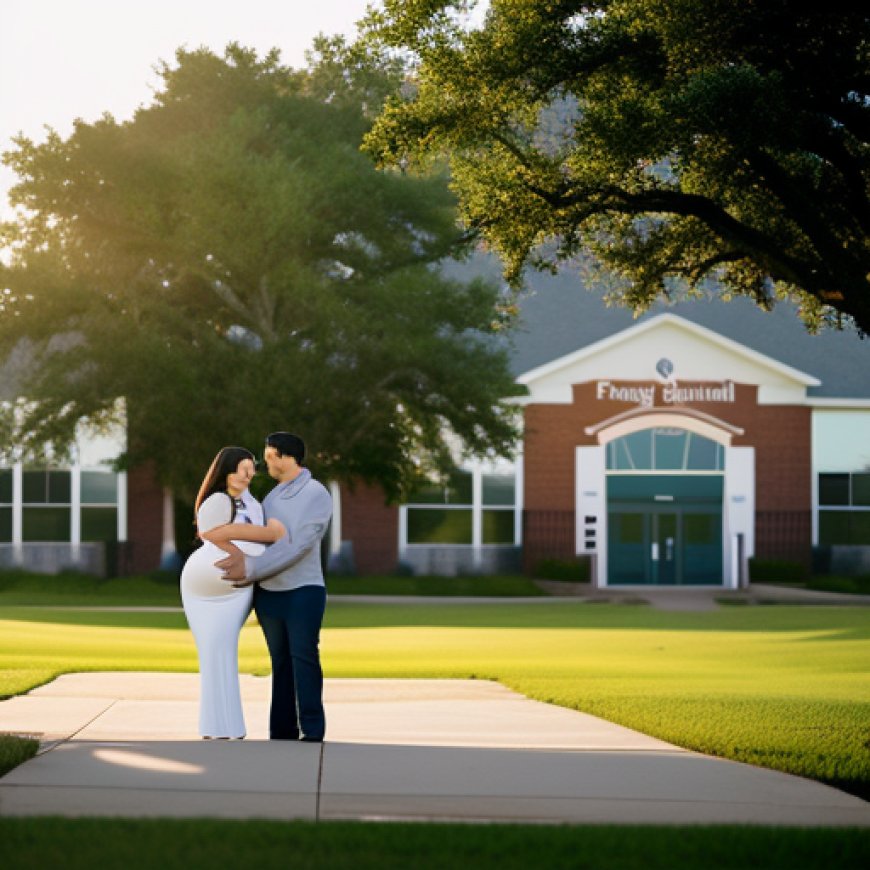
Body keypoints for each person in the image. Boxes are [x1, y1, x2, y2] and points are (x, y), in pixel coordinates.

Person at [216, 432, 332, 742]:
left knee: (304, 657)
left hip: (304, 592)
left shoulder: (316, 494)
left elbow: (298, 547)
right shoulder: (272, 497)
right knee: (280, 663)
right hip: (269, 595)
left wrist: (250, 570)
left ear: (284, 457)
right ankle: (282, 731)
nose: (263, 463)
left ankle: (312, 729)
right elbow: (259, 541)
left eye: (268, 457)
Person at [180, 446, 286, 739]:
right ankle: (217, 727)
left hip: (236, 588)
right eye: (242, 468)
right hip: (204, 587)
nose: (248, 474)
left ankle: (227, 727)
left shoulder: (253, 504)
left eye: (251, 468)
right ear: (226, 471)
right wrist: (239, 553)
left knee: (223, 651)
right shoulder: (217, 500)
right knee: (214, 652)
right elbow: (208, 534)